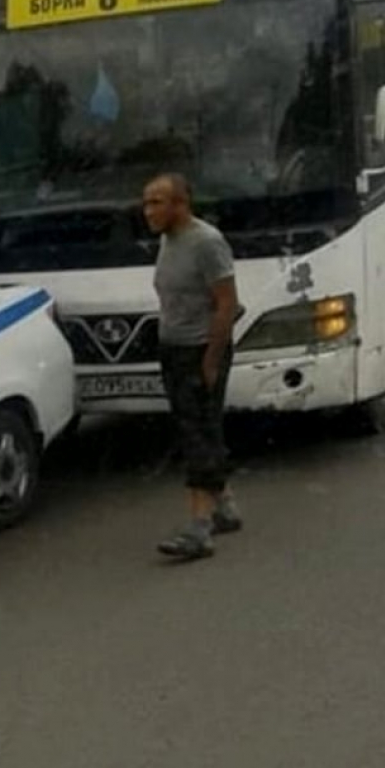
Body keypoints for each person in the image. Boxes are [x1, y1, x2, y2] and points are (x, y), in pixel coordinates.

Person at [142, 173, 244, 561]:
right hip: (173, 348)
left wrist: (212, 362)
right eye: (146, 202)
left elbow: (226, 303)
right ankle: (226, 506)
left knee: (196, 434)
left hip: (199, 349)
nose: (147, 211)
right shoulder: (169, 239)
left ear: (180, 204)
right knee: (200, 428)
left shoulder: (207, 242)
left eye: (156, 202)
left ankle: (200, 528)